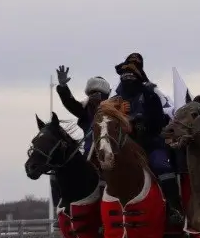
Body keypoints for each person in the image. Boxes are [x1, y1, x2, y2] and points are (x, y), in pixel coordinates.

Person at [113, 53, 183, 226]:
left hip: (151, 144)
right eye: (125, 74)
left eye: (131, 74)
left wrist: (141, 121)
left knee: (163, 166)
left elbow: (159, 121)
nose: (128, 78)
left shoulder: (151, 94)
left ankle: (174, 209)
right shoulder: (114, 100)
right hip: (124, 146)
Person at [49, 66, 111, 207]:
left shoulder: (114, 108)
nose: (95, 97)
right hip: (88, 154)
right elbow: (69, 102)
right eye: (92, 93)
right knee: (57, 173)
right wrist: (63, 87)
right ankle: (62, 208)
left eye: (98, 93)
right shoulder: (85, 109)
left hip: (109, 152)